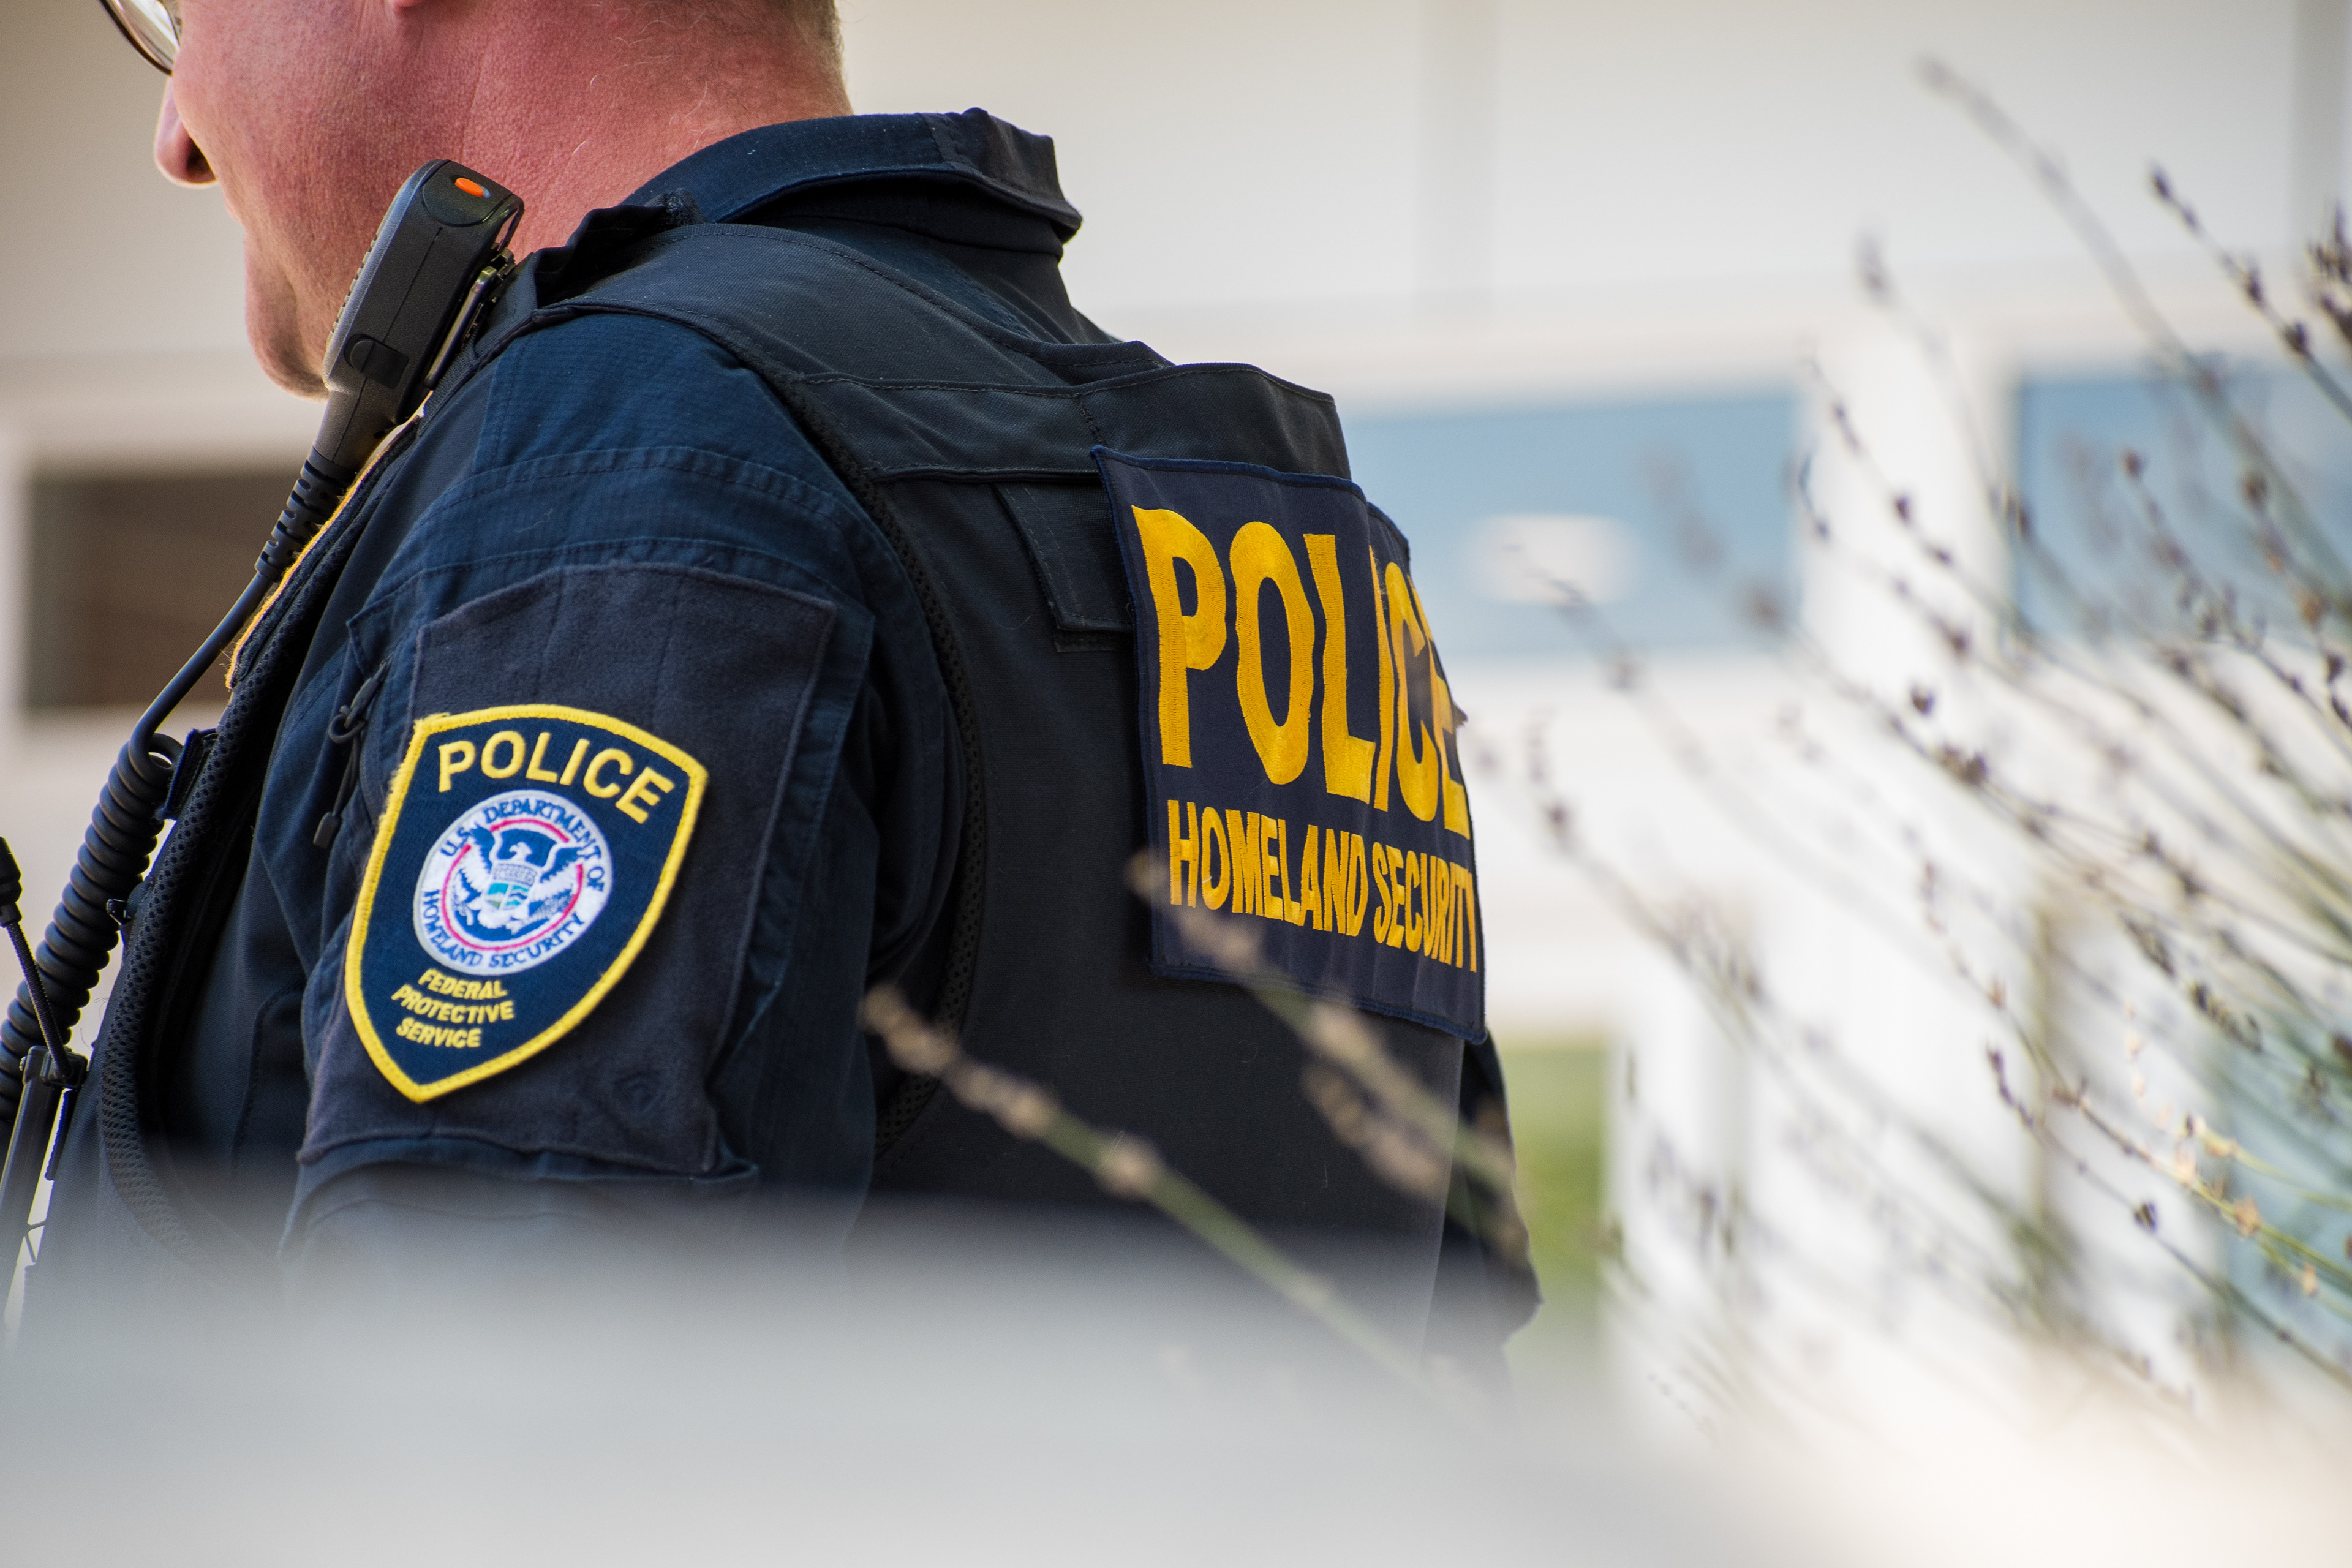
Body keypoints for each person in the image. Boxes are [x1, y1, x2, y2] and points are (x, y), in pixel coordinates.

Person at [33, 0, 1533, 1363]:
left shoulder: (628, 457)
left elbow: (499, 1415)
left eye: (185, 10)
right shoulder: (1273, 549)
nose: (175, 130)